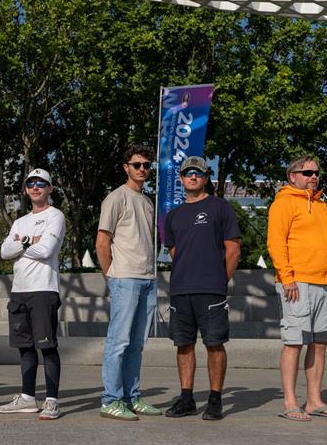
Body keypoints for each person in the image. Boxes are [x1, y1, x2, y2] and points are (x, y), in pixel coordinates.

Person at [267, 156, 327, 421]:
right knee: (294, 343)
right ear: (293, 177)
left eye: (316, 172)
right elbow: (276, 243)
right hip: (296, 284)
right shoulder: (283, 203)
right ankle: (291, 402)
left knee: (320, 343)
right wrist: (287, 278)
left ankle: (314, 401)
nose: (313, 176)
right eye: (307, 172)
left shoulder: (323, 206)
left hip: (324, 285)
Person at [163, 156, 241, 421]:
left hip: (211, 289)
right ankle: (186, 399)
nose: (193, 177)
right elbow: (175, 252)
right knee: (183, 345)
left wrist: (221, 280)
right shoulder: (172, 215)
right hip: (181, 290)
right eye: (188, 173)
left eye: (198, 173)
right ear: (182, 179)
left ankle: (215, 399)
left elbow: (233, 249)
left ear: (206, 177)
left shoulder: (220, 208)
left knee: (214, 344)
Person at [96, 145, 161, 420]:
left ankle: (132, 397)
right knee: (119, 342)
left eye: (147, 165)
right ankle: (111, 399)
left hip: (148, 279)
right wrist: (112, 276)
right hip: (125, 278)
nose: (143, 169)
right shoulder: (116, 198)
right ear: (126, 167)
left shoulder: (147, 201)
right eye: (137, 165)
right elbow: (102, 242)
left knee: (137, 344)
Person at [0, 169, 66, 420]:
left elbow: (47, 249)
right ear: (26, 189)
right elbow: (4, 252)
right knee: (25, 347)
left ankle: (52, 400)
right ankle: (27, 397)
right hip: (20, 291)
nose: (36, 187)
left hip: (43, 289)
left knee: (47, 347)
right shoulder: (20, 222)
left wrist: (20, 245)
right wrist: (29, 241)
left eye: (41, 184)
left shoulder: (55, 216)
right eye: (31, 184)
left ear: (50, 188)